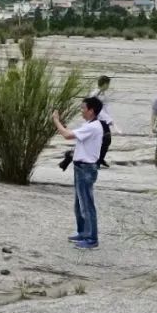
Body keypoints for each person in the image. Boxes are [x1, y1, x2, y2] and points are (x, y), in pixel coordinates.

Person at [52, 97, 104, 250]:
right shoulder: (89, 125)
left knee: (87, 204)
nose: (81, 111)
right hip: (80, 168)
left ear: (91, 110)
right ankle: (82, 232)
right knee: (79, 204)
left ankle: (91, 238)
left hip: (86, 169)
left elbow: (67, 135)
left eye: (83, 108)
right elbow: (72, 134)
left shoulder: (93, 127)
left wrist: (56, 120)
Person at [94, 75, 120, 168]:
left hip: (105, 120)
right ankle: (97, 160)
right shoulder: (95, 93)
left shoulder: (103, 94)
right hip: (99, 120)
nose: (108, 86)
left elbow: (106, 108)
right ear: (104, 84)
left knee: (107, 140)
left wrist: (110, 119)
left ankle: (100, 158)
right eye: (108, 84)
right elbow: (96, 108)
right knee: (104, 139)